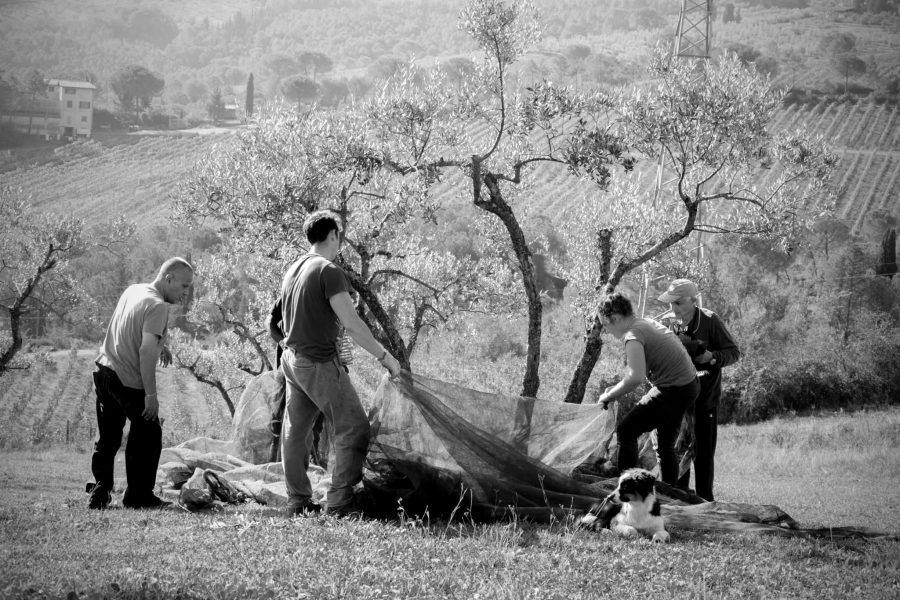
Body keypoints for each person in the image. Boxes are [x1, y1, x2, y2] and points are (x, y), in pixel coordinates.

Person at [279, 210, 401, 518]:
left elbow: (279, 319)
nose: (340, 244)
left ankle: (298, 500)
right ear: (333, 235)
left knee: (296, 432)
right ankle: (340, 502)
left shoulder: (294, 268)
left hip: (292, 360)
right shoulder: (328, 271)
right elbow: (353, 324)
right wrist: (386, 358)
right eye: (339, 238)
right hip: (318, 362)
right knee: (354, 428)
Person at [88, 257, 194, 509]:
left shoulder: (134, 290)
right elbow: (146, 353)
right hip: (125, 377)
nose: (186, 293)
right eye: (183, 286)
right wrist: (151, 395)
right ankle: (138, 496)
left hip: (103, 370)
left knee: (109, 435)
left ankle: (100, 491)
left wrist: (162, 344)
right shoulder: (158, 306)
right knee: (148, 431)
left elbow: (131, 326)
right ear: (168, 279)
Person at [596, 292, 700, 486]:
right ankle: (669, 492)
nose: (606, 331)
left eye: (605, 325)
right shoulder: (644, 324)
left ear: (615, 318)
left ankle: (629, 491)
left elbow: (635, 377)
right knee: (664, 444)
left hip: (674, 389)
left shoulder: (633, 334)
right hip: (688, 387)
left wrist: (608, 396)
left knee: (627, 430)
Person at [659, 278, 741, 501]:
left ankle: (706, 504)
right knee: (676, 454)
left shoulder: (710, 320)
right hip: (675, 402)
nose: (672, 308)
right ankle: (679, 501)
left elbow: (734, 352)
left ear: (693, 301)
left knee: (703, 456)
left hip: (705, 400)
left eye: (678, 303)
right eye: (670, 303)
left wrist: (711, 358)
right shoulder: (666, 323)